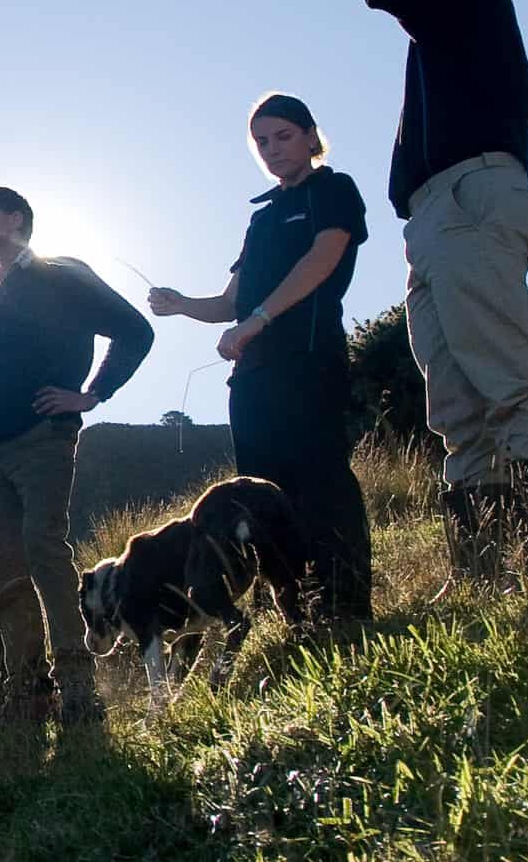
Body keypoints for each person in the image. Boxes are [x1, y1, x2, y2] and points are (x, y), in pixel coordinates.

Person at [159, 0, 528, 581]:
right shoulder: (445, 33)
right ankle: (485, 575)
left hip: (470, 196)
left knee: (507, 379)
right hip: (434, 219)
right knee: (456, 407)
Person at [148, 93, 374, 624]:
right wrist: (182, 305)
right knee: (263, 496)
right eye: (261, 142)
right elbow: (231, 300)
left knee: (321, 483)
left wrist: (259, 320)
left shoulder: (333, 191)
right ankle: (296, 611)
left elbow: (324, 258)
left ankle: (345, 604)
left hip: (308, 361)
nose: (271, 149)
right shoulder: (262, 217)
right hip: (251, 379)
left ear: (311, 137)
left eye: (283, 136)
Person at [0, 187, 154, 722]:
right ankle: (27, 696)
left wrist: (92, 393)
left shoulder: (62, 272)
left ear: (16, 218)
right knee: (4, 571)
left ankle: (78, 688)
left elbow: (136, 331)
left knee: (44, 550)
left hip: (41, 436)